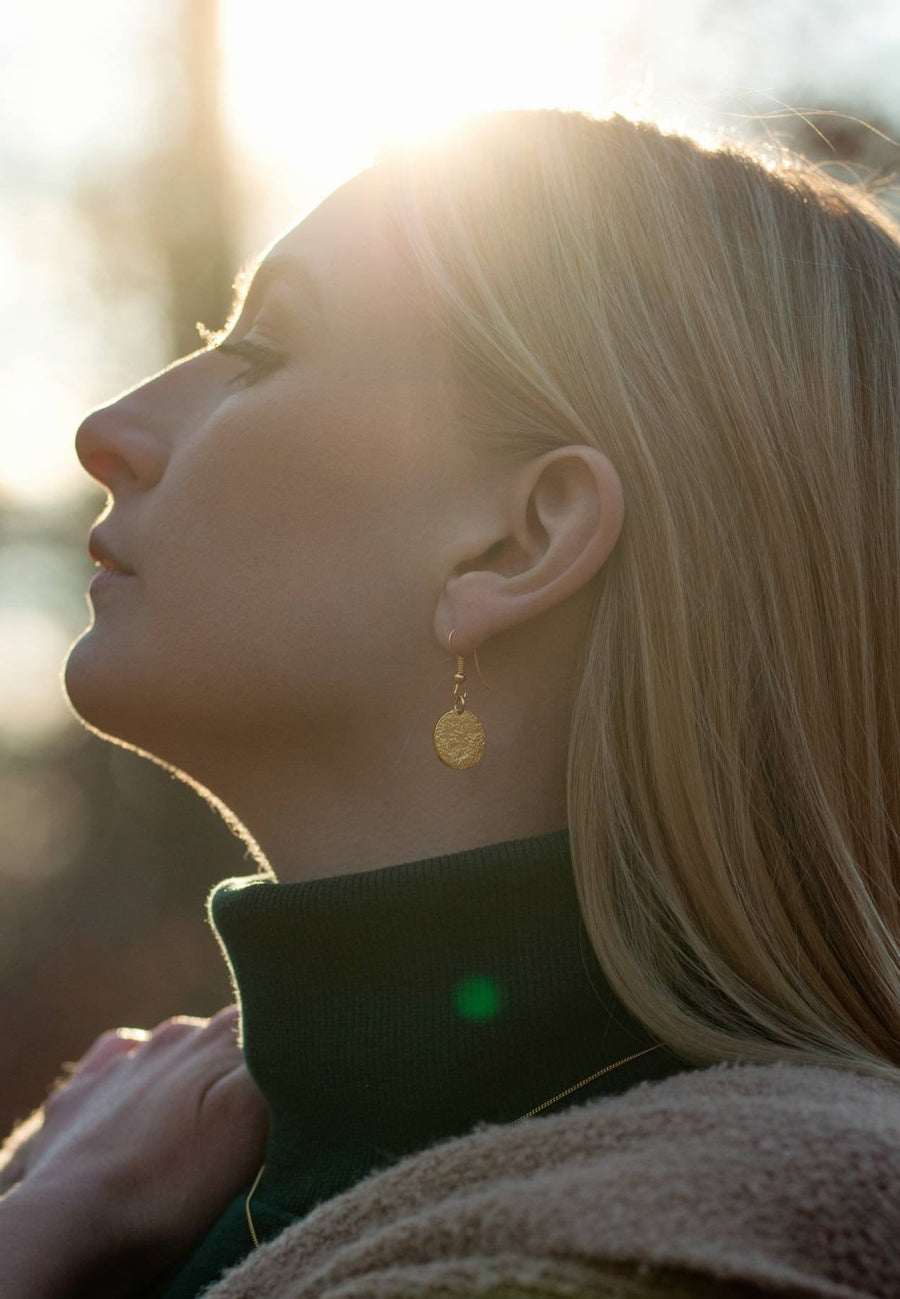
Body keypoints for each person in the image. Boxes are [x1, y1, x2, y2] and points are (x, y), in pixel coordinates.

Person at [1, 107, 899, 1299]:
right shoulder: (159, 1160)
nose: (105, 433)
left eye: (264, 348)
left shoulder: (694, 1241)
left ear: (521, 540)